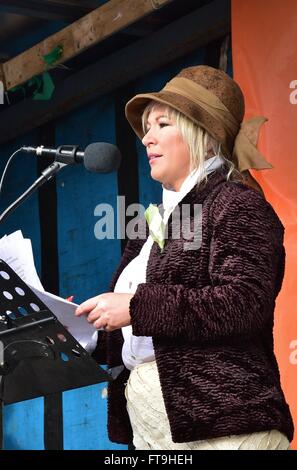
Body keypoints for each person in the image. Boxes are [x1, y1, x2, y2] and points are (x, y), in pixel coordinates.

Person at [75, 65, 294, 450]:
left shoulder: (235, 203)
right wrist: (87, 334)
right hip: (153, 430)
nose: (146, 138)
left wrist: (137, 307)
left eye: (162, 124)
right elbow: (137, 331)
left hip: (224, 425)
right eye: (146, 127)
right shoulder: (149, 221)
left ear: (205, 138)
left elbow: (244, 303)